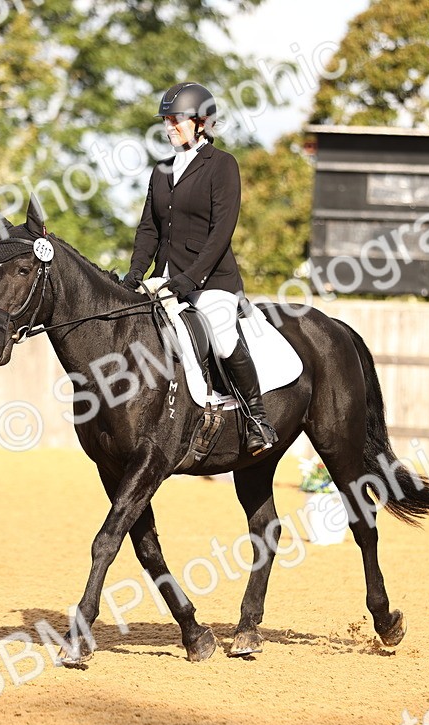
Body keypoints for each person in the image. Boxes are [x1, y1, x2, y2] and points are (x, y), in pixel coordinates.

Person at [123, 81, 277, 456]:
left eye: (176, 120)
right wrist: (134, 274)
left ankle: (258, 419)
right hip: (165, 277)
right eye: (166, 120)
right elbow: (149, 228)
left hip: (211, 281)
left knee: (223, 336)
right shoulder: (161, 170)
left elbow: (221, 232)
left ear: (201, 122)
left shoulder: (222, 165)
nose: (169, 126)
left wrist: (189, 279)